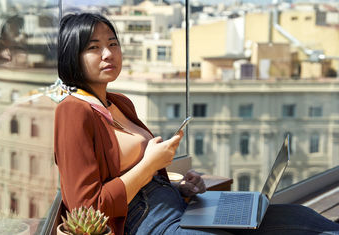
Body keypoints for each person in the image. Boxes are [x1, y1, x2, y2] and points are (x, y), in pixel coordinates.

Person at [54, 13, 339, 235]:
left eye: (112, 43)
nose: (108, 54)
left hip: (173, 204)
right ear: (72, 56)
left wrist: (181, 189)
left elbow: (137, 176)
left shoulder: (118, 102)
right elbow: (86, 208)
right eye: (94, 47)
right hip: (145, 221)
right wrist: (150, 165)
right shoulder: (73, 111)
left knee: (300, 218)